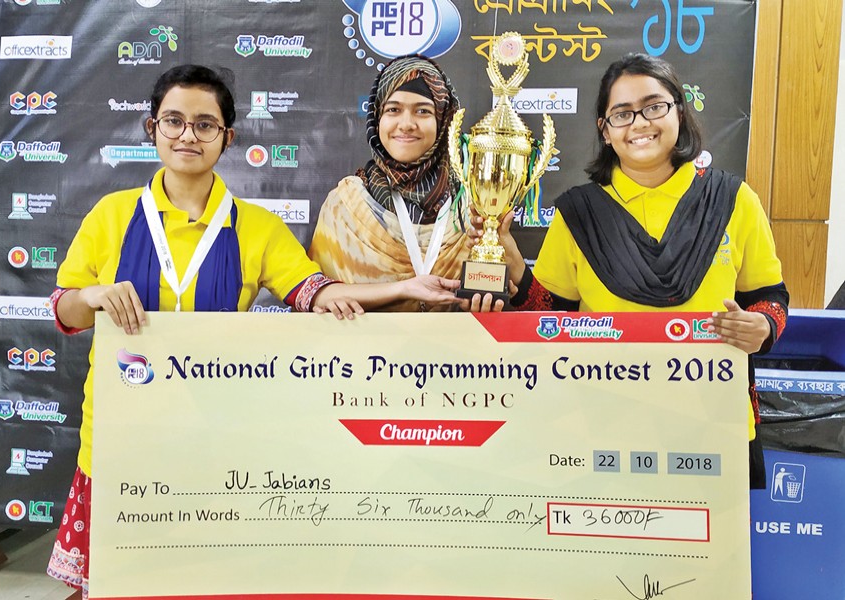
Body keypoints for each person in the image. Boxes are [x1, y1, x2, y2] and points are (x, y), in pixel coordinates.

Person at [46, 64, 459, 599]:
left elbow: (317, 294)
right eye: (173, 121)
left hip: (213, 441)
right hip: (119, 439)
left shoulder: (257, 227)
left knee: (198, 583)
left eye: (205, 124)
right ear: (151, 129)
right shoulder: (112, 216)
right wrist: (92, 296)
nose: (188, 135)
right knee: (105, 587)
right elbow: (65, 310)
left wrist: (406, 288)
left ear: (228, 137)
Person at [473, 53, 788, 488]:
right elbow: (550, 314)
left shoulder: (734, 200)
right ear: (604, 130)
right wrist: (512, 266)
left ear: (679, 110)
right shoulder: (579, 213)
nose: (639, 123)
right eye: (621, 114)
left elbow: (770, 298)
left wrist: (764, 327)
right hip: (600, 424)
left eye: (654, 106)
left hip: (712, 426)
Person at [309, 55, 504, 312]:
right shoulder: (345, 205)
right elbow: (314, 306)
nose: (406, 124)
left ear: (444, 120)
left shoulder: (472, 206)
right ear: (377, 116)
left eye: (423, 111)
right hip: (364, 352)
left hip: (453, 351)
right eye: (393, 110)